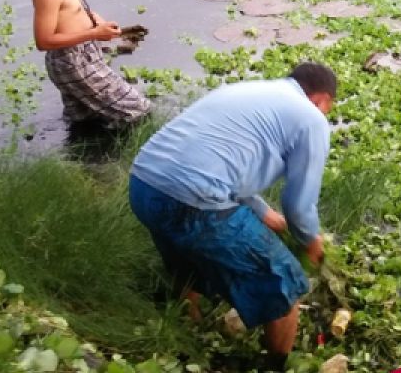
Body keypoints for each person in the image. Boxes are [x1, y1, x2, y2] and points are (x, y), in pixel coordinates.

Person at [129, 62, 336, 370]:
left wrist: (264, 213)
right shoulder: (311, 119)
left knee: (186, 266)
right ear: (322, 100)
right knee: (286, 285)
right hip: (193, 203)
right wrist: (310, 240)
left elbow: (218, 161)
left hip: (144, 186)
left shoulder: (246, 90)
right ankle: (275, 365)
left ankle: (187, 338)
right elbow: (299, 205)